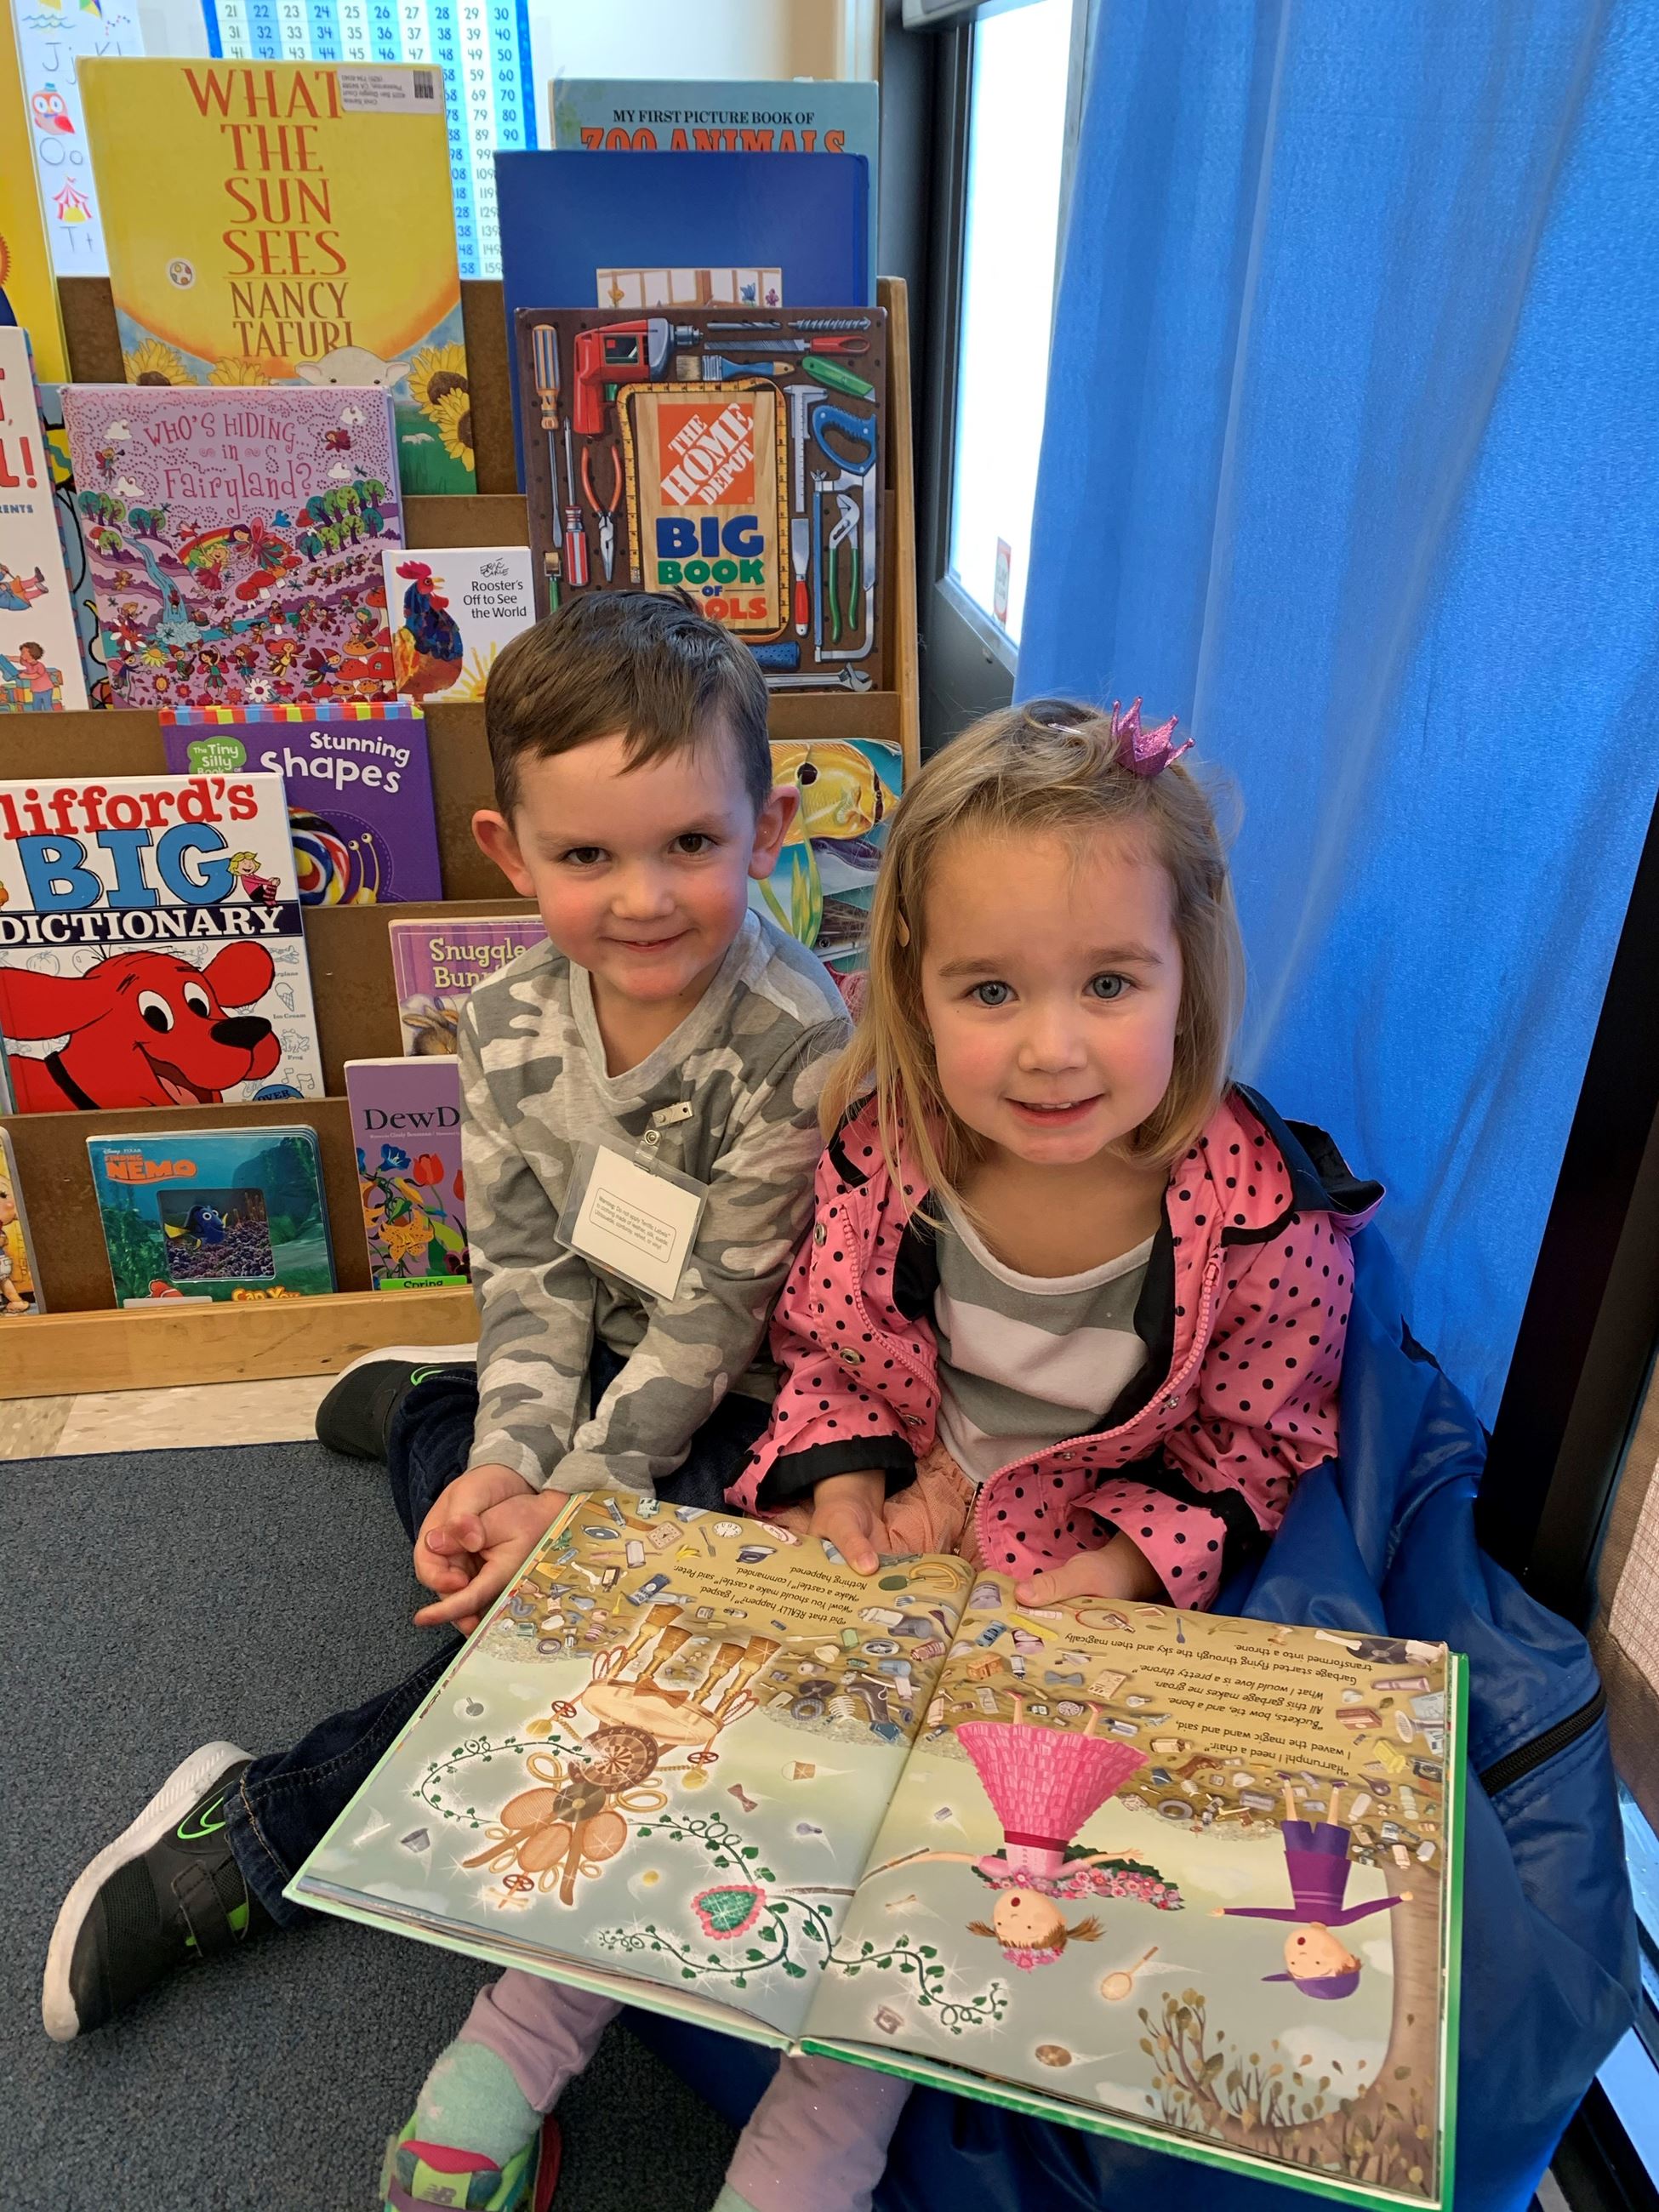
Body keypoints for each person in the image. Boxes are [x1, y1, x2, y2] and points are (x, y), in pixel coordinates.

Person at [41, 591, 851, 2142]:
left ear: (773, 822)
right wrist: (508, 1458)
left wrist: (583, 1498)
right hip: (582, 1349)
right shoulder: (499, 1018)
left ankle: (265, 1824)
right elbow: (533, 1273)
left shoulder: (795, 1041)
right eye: (588, 857)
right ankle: (438, 1420)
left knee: (576, 1618)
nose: (646, 897)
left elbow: (718, 1323)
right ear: (507, 849)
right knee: (490, 1490)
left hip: (729, 1393)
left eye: (693, 843)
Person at [711, 696, 1382, 2209]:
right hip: (909, 1530)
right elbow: (825, 1349)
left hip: (1073, 1583)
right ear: (916, 987)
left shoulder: (1259, 1214)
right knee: (720, 1753)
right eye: (993, 990)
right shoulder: (891, 1154)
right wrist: (841, 1485)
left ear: (1185, 979)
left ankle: (810, 2148)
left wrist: (1123, 1569)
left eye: (1107, 983)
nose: (1054, 1047)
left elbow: (1258, 1442)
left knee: (945, 1859)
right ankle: (511, 2044)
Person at [1215, 1779, 1409, 1997]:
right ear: (1347, 1960)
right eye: (1317, 1961)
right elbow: (1367, 1908)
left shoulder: (1299, 1915)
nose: (1302, 1955)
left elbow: (1263, 1913)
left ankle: (1287, 1786)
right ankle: (1336, 1789)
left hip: (1299, 1862)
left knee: (1292, 1823)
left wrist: (1228, 1911)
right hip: (1329, 1862)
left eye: (1294, 1962)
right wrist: (1398, 1899)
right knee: (1331, 1825)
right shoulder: (1338, 1919)